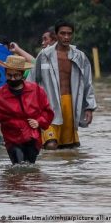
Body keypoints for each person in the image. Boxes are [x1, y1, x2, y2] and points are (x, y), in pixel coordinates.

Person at [27, 19, 97, 150]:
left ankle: (64, 171)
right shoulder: (44, 55)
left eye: (69, 34)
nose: (66, 37)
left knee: (69, 147)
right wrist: (29, 106)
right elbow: (31, 80)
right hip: (48, 105)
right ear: (56, 34)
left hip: (70, 104)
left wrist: (89, 107)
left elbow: (87, 83)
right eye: (63, 33)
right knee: (51, 144)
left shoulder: (80, 57)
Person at [0, 55, 54, 165]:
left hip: (33, 138)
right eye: (9, 75)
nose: (13, 79)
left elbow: (48, 112)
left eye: (16, 75)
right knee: (18, 167)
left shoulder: (36, 90)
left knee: (30, 167)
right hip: (12, 139)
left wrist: (39, 121)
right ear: (5, 74)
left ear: (22, 75)